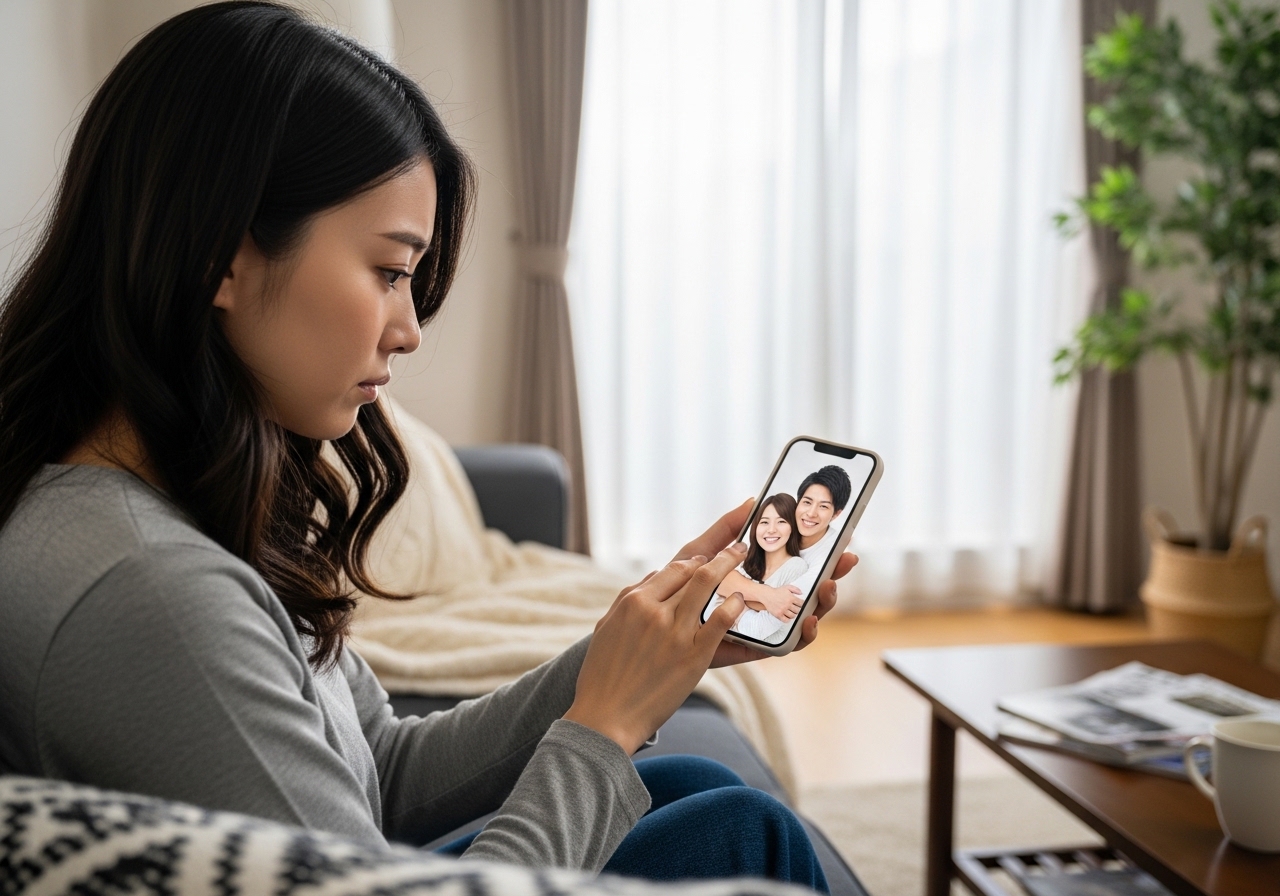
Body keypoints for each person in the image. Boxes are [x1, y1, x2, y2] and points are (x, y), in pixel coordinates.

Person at [0, 2, 858, 888]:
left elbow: (381, 769)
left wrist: (629, 658)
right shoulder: (154, 593)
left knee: (708, 798)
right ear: (223, 252)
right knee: (740, 833)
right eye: (389, 271)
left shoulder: (174, 498)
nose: (408, 330)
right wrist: (603, 725)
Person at [717, 465, 854, 623]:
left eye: (823, 506)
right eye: (807, 502)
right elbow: (723, 580)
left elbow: (790, 605)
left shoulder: (827, 554)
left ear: (836, 514)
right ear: (798, 502)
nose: (811, 513)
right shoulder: (778, 528)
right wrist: (769, 596)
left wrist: (740, 590)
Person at [706, 495, 808, 642]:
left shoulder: (796, 566)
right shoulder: (744, 561)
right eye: (764, 522)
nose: (771, 530)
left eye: (781, 522)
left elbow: (755, 631)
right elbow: (711, 607)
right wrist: (767, 599)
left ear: (793, 527)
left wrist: (736, 595)